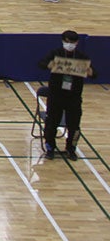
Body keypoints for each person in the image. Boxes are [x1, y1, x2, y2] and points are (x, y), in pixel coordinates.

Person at [37, 30, 95, 159]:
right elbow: (41, 63)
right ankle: (50, 147)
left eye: (72, 42)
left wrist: (91, 72)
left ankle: (71, 148)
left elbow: (94, 73)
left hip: (73, 97)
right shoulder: (55, 53)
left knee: (74, 126)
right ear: (63, 41)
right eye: (67, 42)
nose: (70, 44)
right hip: (56, 96)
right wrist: (49, 64)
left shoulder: (81, 57)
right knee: (51, 123)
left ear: (77, 42)